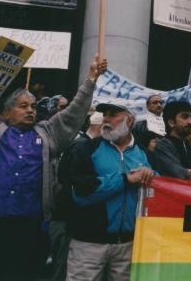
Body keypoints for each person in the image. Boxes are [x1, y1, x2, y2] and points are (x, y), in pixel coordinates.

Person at [0, 55, 107, 281]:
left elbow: (73, 114)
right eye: (23, 106)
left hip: (33, 223)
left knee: (28, 274)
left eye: (33, 106)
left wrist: (91, 78)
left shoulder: (46, 134)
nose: (30, 110)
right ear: (6, 112)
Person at [64, 101, 154, 281]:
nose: (106, 119)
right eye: (105, 115)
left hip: (128, 246)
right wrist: (125, 179)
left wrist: (151, 175)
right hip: (88, 245)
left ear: (129, 121)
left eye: (113, 115)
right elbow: (81, 193)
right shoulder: (86, 149)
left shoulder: (144, 154)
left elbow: (158, 190)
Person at [50, 111, 105, 281]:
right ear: (99, 127)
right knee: (64, 266)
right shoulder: (80, 147)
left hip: (68, 218)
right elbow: (71, 182)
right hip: (67, 219)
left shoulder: (82, 145)